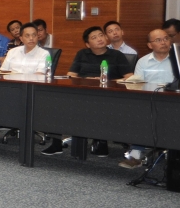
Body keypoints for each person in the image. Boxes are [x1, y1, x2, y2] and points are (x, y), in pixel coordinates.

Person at [42, 26, 133, 157]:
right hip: (83, 92)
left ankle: (101, 141)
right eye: (94, 38)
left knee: (99, 106)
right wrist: (87, 79)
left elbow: (129, 77)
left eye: (101, 35)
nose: (99, 39)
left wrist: (107, 80)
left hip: (108, 94)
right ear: (87, 44)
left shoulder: (116, 55)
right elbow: (71, 75)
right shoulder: (82, 54)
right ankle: (56, 144)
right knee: (56, 104)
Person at [0, 23, 48, 145]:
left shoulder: (44, 54)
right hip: (10, 88)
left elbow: (39, 76)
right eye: (27, 35)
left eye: (34, 35)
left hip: (29, 91)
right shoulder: (13, 52)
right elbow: (3, 71)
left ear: (38, 37)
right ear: (21, 38)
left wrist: (15, 75)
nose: (31, 38)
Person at [120, 30, 179, 168]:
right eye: (158, 40)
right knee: (141, 115)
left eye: (166, 38)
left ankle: (176, 154)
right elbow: (137, 84)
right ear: (150, 45)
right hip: (149, 100)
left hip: (174, 101)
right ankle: (135, 155)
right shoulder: (143, 62)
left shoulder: (179, 61)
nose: (163, 42)